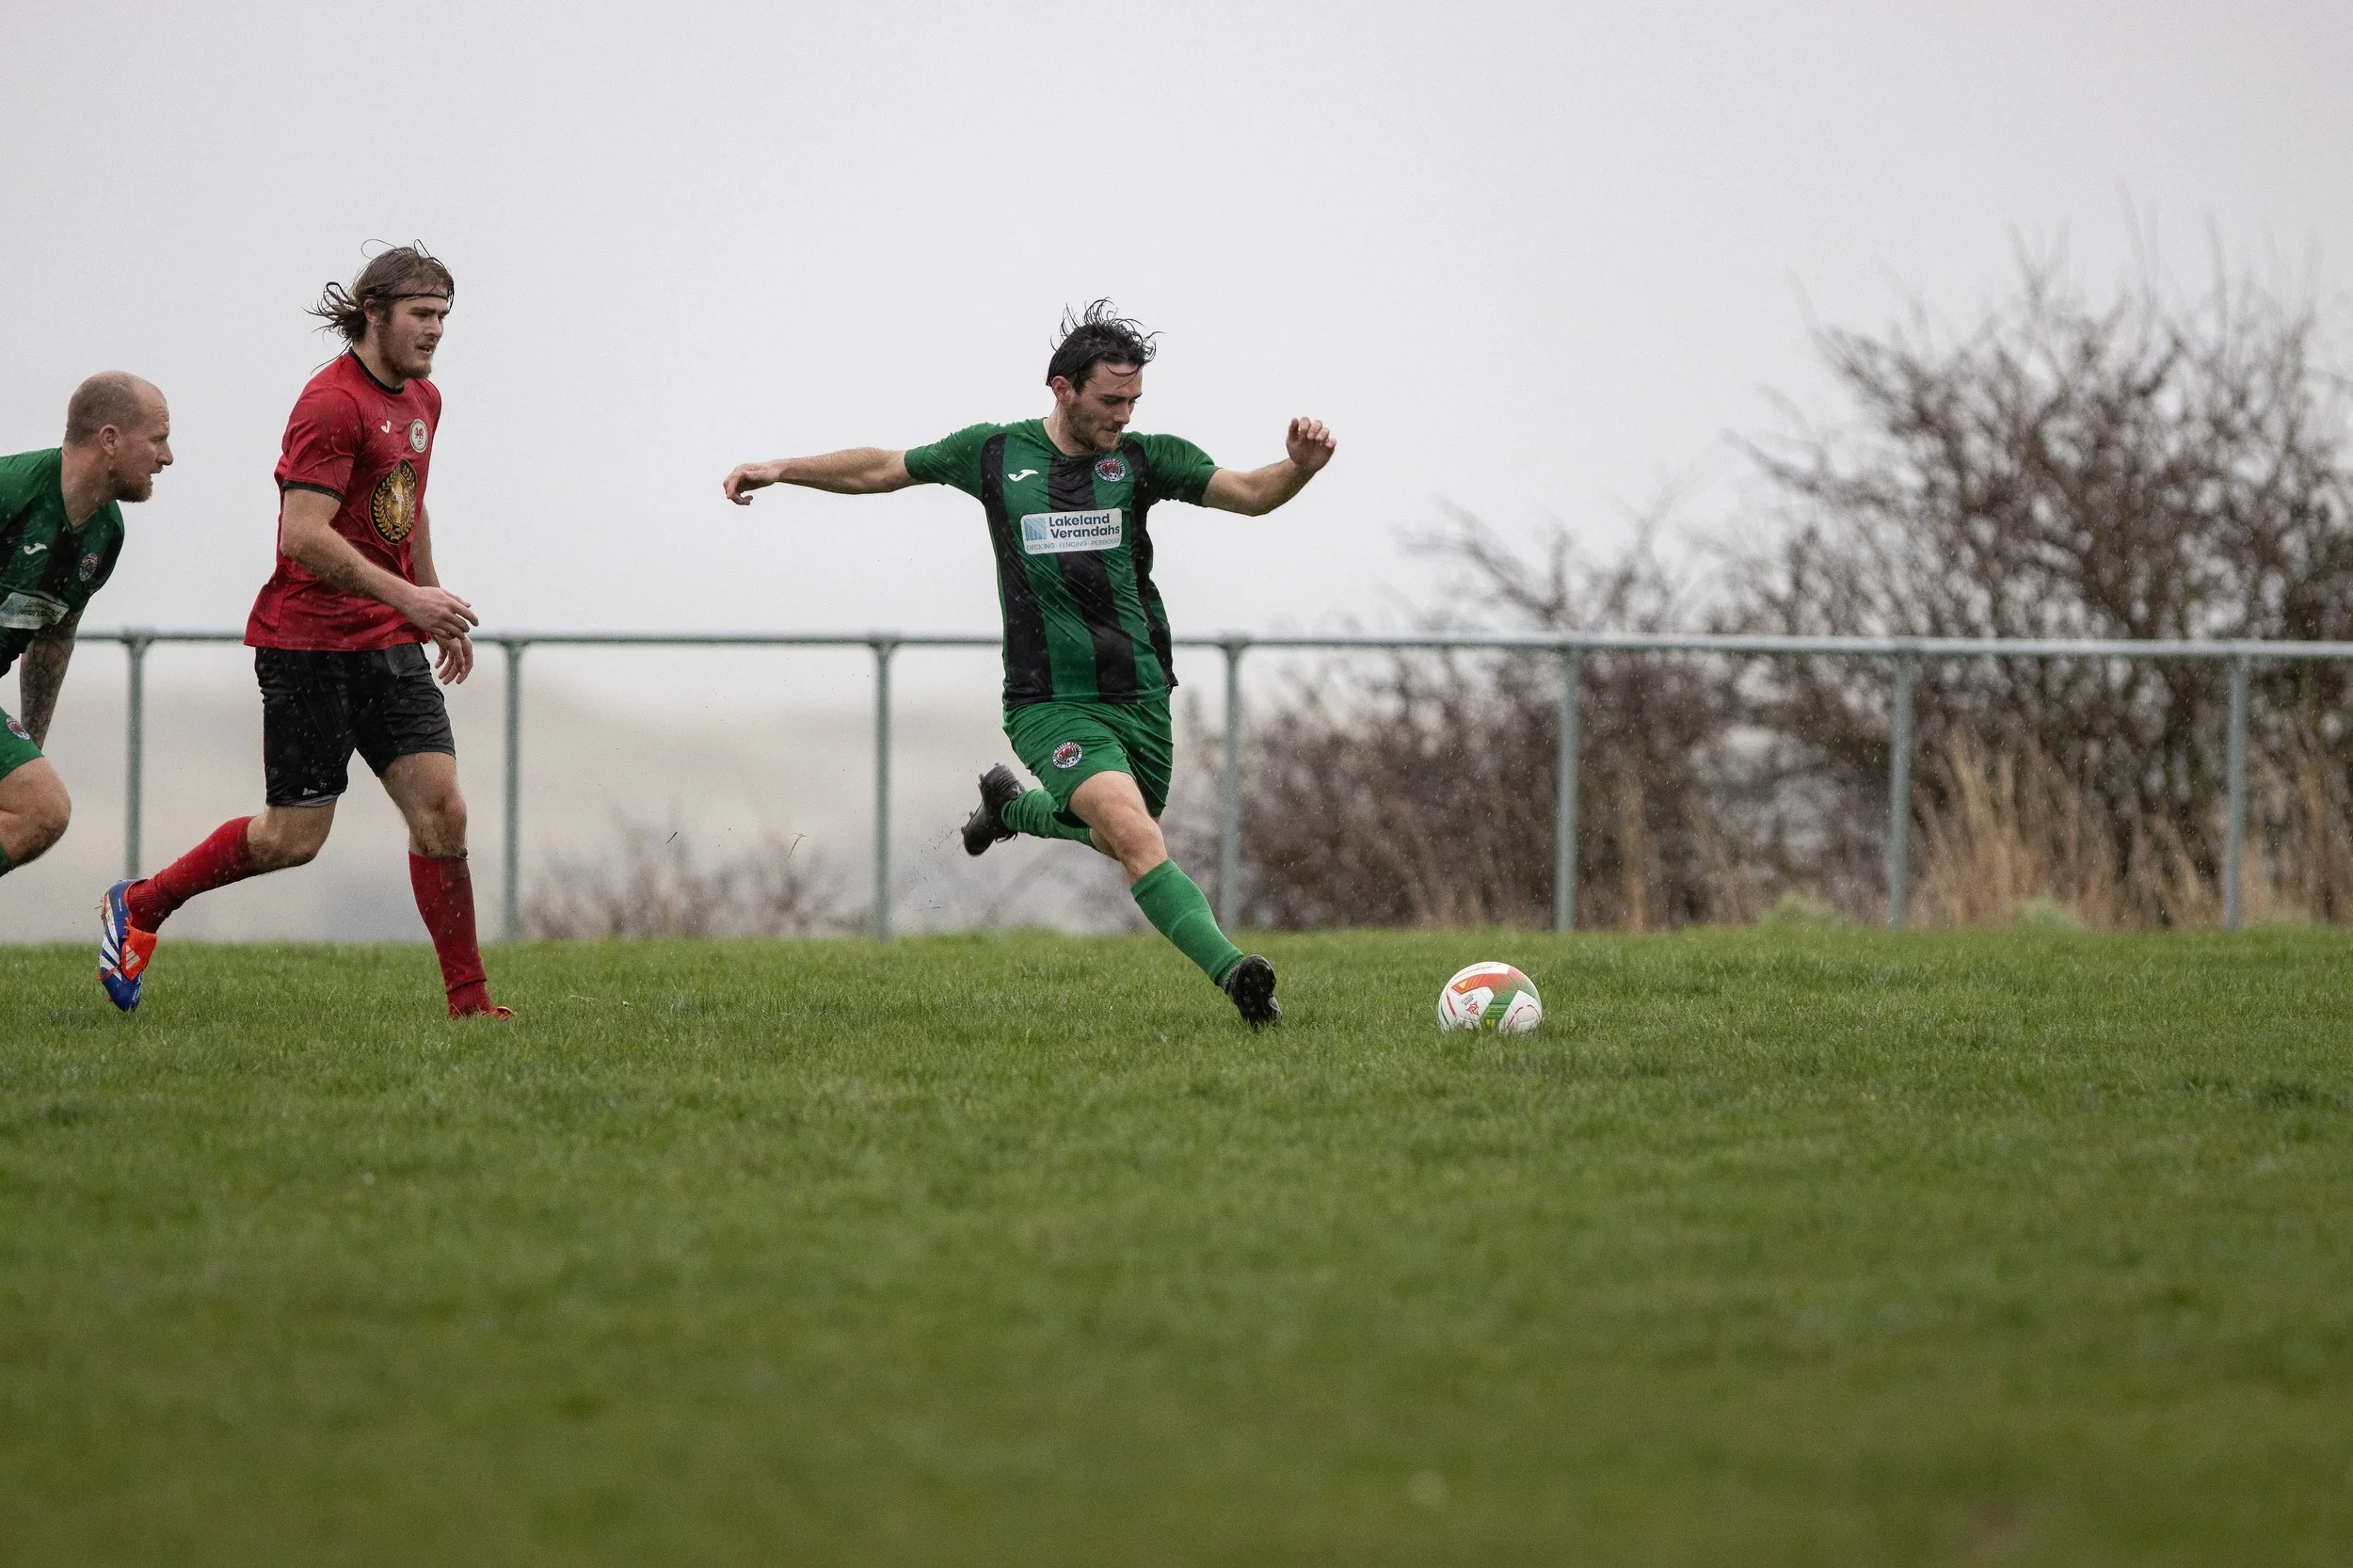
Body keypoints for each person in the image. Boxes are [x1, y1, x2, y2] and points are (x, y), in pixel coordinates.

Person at [723, 301, 1336, 1027]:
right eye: (1111, 400)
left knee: (1121, 833)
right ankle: (1239, 978)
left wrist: (1298, 469)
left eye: (1134, 400)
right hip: (1048, 700)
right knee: (1137, 836)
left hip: (1139, 693)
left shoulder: (1143, 459)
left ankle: (1008, 807)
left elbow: (1251, 494)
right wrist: (781, 468)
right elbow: (883, 469)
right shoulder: (993, 453)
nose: (1124, 415)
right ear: (1062, 389)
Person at [99, 247, 508, 1019]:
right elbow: (303, 535)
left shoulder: (423, 398)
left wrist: (429, 598)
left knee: (442, 810)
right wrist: (411, 602)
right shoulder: (329, 405)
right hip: (308, 648)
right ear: (374, 312)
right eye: (422, 315)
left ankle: (471, 1005)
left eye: (444, 316)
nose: (436, 331)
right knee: (292, 838)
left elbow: (407, 500)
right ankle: (142, 906)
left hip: (387, 641)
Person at [0, 375, 173, 878]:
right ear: (111, 439)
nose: (167, 457)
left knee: (41, 810)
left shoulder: (106, 533)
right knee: (43, 809)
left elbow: (54, 636)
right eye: (158, 438)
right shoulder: (11, 492)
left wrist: (29, 740)